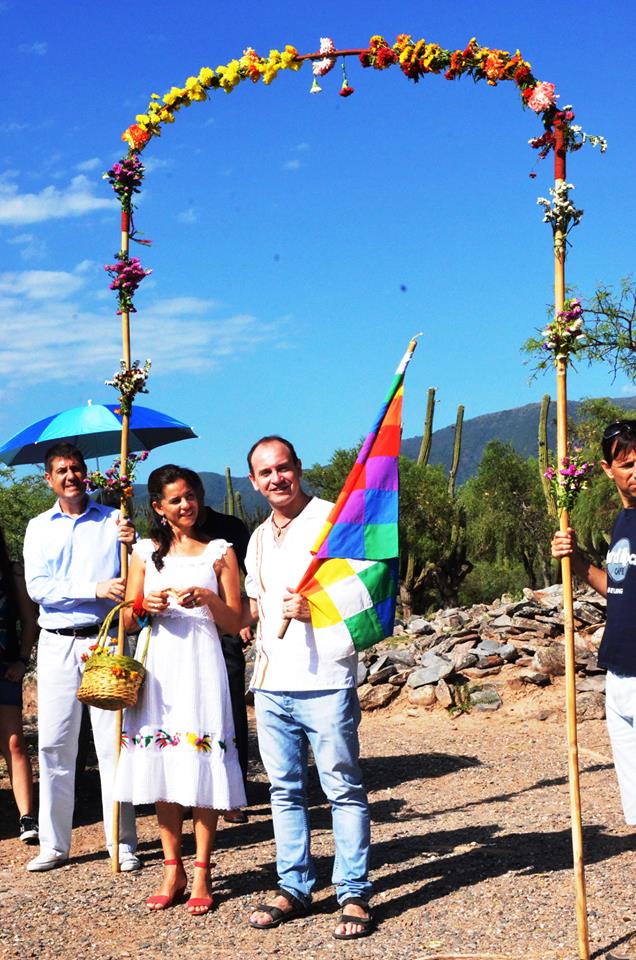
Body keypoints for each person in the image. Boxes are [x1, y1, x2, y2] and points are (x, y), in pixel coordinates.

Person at [244, 436, 374, 940]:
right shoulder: (258, 538)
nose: (276, 478)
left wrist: (317, 608)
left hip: (325, 679)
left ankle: (353, 891)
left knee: (341, 786)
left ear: (298, 467)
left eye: (283, 467)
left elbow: (368, 585)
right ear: (254, 482)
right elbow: (254, 604)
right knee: (284, 790)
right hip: (272, 682)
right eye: (265, 472)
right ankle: (294, 886)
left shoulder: (333, 520)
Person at [114, 464, 246, 915]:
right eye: (175, 499)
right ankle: (173, 869)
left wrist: (208, 599)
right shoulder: (144, 553)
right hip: (160, 666)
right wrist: (143, 605)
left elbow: (236, 621)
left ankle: (203, 869)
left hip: (203, 664)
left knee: (202, 761)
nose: (186, 504)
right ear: (158, 507)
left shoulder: (220, 552)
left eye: (191, 496)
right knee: (163, 765)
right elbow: (128, 619)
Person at [23, 442, 139, 872]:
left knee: (113, 742)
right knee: (54, 743)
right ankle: (54, 844)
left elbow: (136, 574)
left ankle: (121, 842)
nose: (70, 476)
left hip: (104, 639)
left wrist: (134, 544)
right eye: (61, 470)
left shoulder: (114, 521)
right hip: (56, 642)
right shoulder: (38, 527)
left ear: (86, 473)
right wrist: (93, 588)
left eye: (76, 468)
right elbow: (38, 587)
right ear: (48, 479)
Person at [552, 420, 636, 831]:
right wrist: (577, 561)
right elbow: (616, 588)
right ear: (607, 469)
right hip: (618, 674)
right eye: (628, 465)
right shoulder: (624, 522)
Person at [196, 494, 251, 822]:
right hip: (184, 636)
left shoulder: (230, 527)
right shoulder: (164, 533)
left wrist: (244, 619)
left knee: (230, 708)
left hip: (225, 628)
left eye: (190, 494)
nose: (185, 503)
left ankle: (233, 794)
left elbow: (251, 576)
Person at [0, 525, 39, 842]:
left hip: (5, 668)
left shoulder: (12, 572)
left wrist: (23, 660)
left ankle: (27, 819)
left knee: (14, 742)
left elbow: (29, 620)